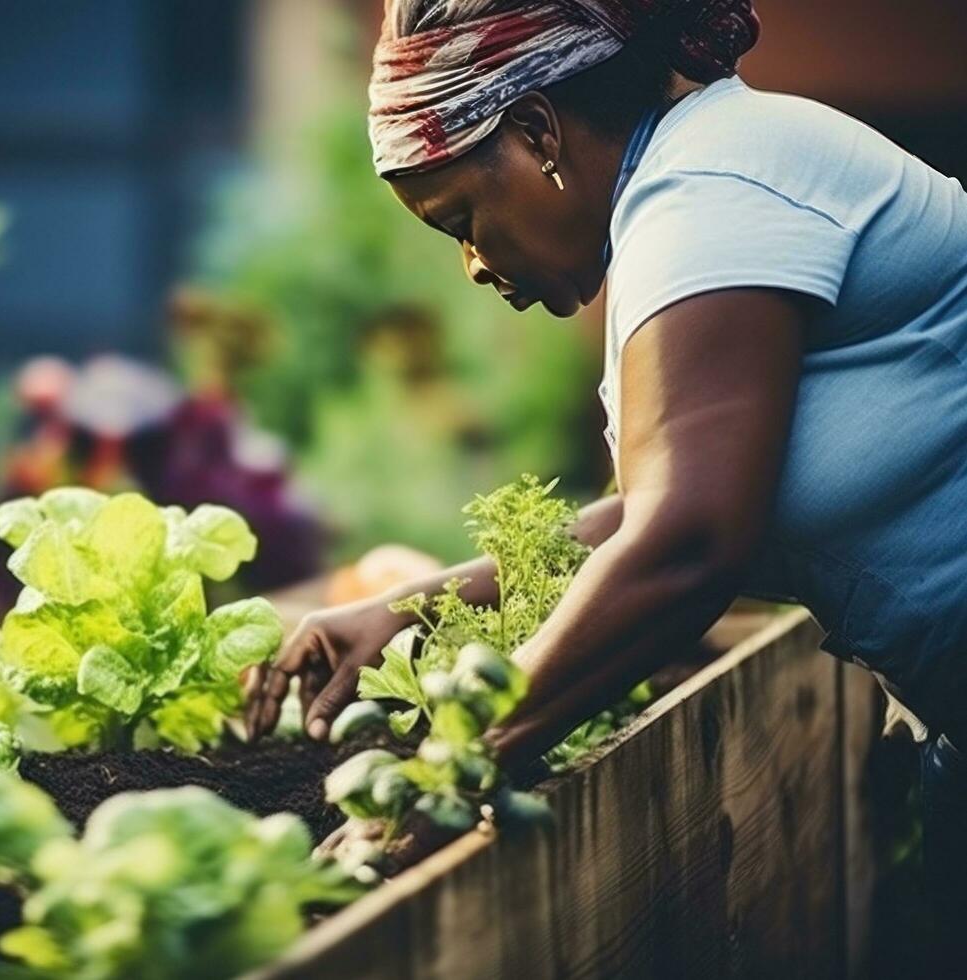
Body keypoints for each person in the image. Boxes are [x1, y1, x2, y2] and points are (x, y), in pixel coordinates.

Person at [243, 0, 967, 943]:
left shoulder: (708, 191)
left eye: (461, 217)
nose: (469, 264)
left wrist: (450, 768)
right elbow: (661, 509)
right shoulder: (702, 180)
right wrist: (416, 610)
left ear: (538, 130)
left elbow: (688, 541)